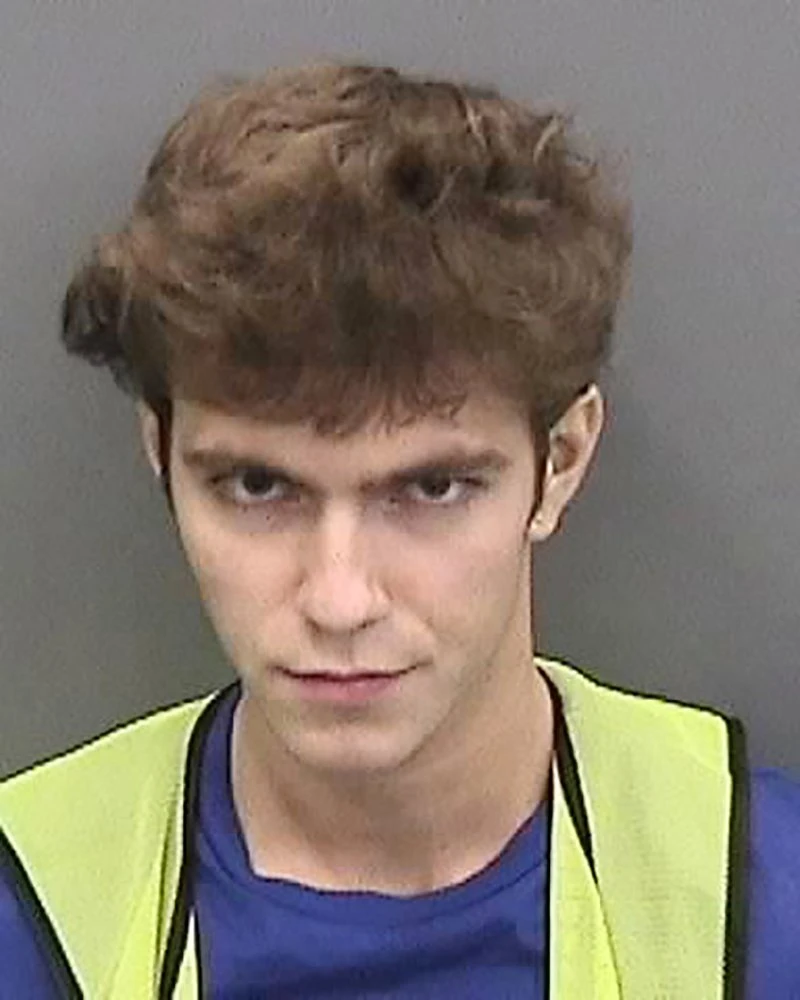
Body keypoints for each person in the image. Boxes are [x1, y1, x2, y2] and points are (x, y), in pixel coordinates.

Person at [1, 61, 798, 1000]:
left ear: (561, 462)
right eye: (258, 485)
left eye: (431, 487)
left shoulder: (762, 903)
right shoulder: (31, 905)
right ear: (161, 457)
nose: (340, 601)